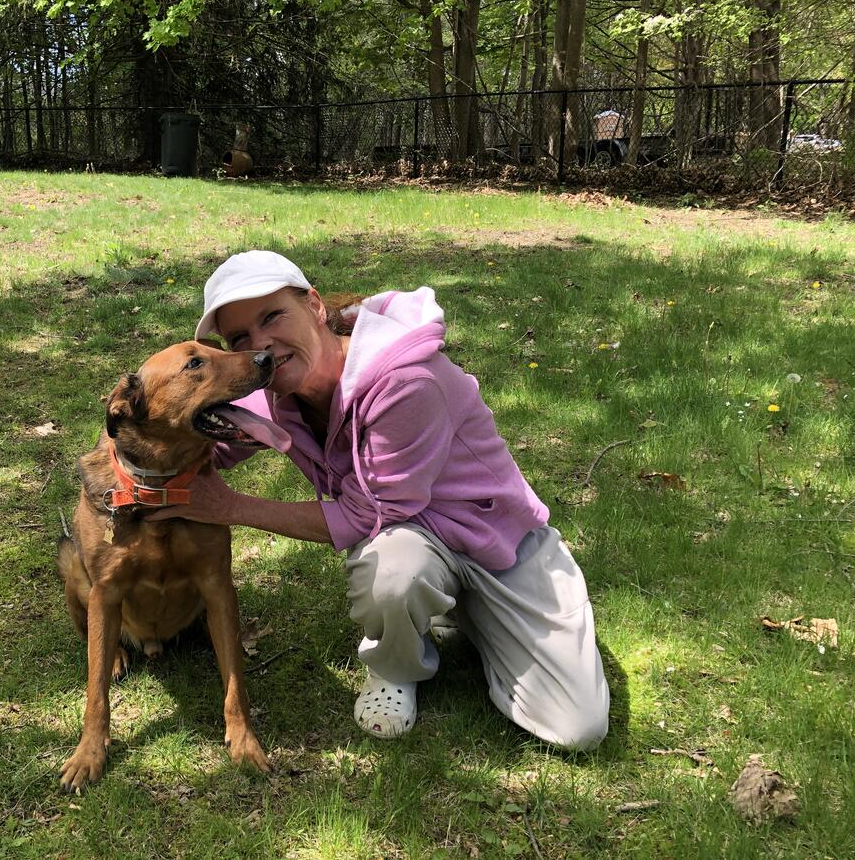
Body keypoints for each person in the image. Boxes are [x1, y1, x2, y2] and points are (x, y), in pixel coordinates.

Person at [149, 250, 609, 748]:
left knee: (577, 727)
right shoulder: (280, 391)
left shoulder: (406, 380)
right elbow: (206, 445)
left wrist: (231, 507)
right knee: (391, 566)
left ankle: (468, 613)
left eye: (273, 316)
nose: (261, 345)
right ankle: (397, 666)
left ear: (315, 306)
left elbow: (365, 513)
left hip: (500, 547)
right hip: (411, 546)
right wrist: (127, 459)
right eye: (240, 338)